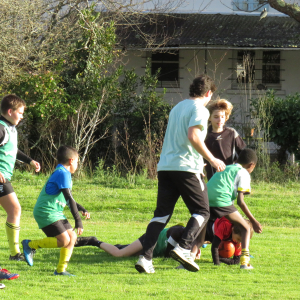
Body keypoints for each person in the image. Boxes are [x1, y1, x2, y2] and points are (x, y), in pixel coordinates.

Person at [134, 75, 226, 274]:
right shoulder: (200, 109)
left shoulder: (176, 108)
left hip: (166, 167)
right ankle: (183, 248)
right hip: (186, 168)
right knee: (202, 211)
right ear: (209, 93)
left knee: (161, 215)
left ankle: (145, 258)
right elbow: (193, 136)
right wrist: (211, 159)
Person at [21, 146, 90, 276]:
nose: (77, 165)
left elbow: (68, 199)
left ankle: (60, 270)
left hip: (55, 212)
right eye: (77, 161)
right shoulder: (62, 173)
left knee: (72, 237)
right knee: (64, 240)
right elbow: (69, 197)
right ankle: (30, 245)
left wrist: (81, 209)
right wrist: (78, 221)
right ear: (71, 161)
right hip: (45, 212)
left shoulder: (63, 173)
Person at [0, 94, 40, 261]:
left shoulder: (10, 129)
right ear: (10, 111)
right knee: (15, 209)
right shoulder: (1, 127)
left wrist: (29, 160)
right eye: (21, 113)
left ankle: (15, 253)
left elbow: (12, 149)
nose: (22, 116)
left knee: (14, 210)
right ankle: (15, 254)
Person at [207, 148, 262, 269]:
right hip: (221, 200)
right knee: (246, 228)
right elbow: (240, 201)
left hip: (204, 198)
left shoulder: (227, 167)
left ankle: (188, 257)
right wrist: (253, 221)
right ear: (252, 165)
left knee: (201, 233)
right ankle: (245, 262)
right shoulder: (243, 172)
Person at [74, 224, 186, 258]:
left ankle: (121, 246)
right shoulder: (177, 232)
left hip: (153, 248)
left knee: (127, 252)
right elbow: (167, 257)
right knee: (119, 254)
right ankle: (93, 241)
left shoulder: (197, 238)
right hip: (148, 240)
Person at [204, 99, 246, 180]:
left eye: (222, 117)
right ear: (209, 117)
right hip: (212, 176)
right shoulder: (205, 135)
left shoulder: (232, 133)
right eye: (216, 117)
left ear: (226, 118)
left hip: (230, 175)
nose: (220, 120)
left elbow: (243, 152)